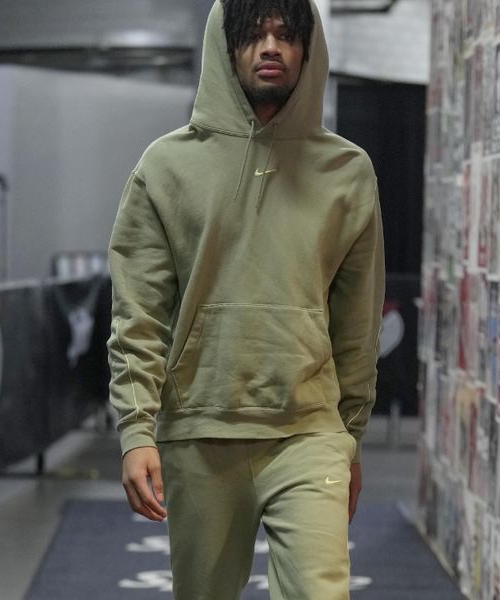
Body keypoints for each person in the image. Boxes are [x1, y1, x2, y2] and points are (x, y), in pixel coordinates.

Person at [107, 1, 384, 598]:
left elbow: (357, 321)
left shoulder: (347, 172)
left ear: (308, 51)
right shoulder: (166, 167)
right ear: (225, 46)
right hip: (200, 431)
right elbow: (139, 312)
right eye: (253, 34)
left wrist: (350, 439)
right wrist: (137, 431)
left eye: (287, 35)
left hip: (309, 431)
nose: (270, 47)